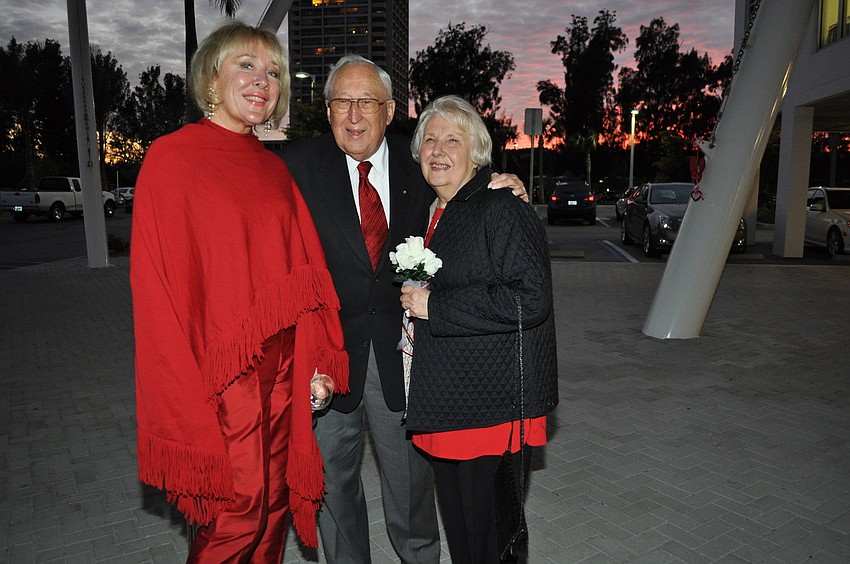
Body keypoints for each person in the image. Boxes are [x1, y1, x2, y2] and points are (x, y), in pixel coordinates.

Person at [279, 55, 526, 563]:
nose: (353, 115)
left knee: (412, 499)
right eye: (341, 102)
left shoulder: (423, 165)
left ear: (389, 109)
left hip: (409, 363)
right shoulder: (294, 168)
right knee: (332, 494)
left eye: (365, 102)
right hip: (326, 362)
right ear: (327, 111)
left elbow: (465, 188)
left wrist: (505, 185)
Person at [130, 21, 348, 562]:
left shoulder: (273, 169)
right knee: (237, 511)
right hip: (220, 370)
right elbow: (155, 281)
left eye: (273, 71)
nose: (262, 81)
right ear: (211, 76)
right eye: (246, 66)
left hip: (282, 367)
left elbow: (305, 277)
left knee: (273, 509)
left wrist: (318, 359)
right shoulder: (172, 158)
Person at [400, 95, 559, 563]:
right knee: (465, 539)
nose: (438, 149)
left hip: (491, 407)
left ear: (478, 154)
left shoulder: (501, 208)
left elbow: (531, 299)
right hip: (450, 402)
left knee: (491, 539)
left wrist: (437, 307)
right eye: (429, 139)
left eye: (453, 139)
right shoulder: (433, 212)